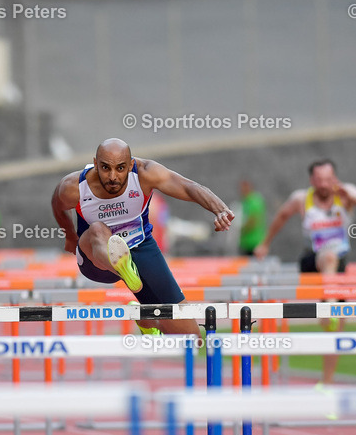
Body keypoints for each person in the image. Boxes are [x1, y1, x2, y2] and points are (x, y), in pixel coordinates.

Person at [51, 138, 234, 336]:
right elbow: (58, 204)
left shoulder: (146, 173)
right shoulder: (75, 186)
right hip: (96, 259)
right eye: (105, 168)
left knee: (190, 337)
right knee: (97, 230)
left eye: (120, 168)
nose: (113, 177)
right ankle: (121, 263)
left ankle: (146, 319)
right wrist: (70, 236)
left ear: (131, 165)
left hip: (140, 247)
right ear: (95, 164)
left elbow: (188, 187)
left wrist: (220, 210)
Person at [254, 159, 356, 383]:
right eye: (319, 180)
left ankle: (327, 382)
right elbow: (281, 216)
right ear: (312, 181)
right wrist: (265, 243)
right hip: (311, 262)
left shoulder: (346, 193)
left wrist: (350, 196)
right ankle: (328, 306)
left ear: (335, 178)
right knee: (327, 256)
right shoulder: (302, 198)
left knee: (335, 331)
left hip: (338, 265)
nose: (324, 184)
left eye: (328, 179)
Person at [237, 180, 267, 256]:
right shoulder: (246, 201)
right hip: (247, 242)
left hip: (253, 242)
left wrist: (239, 229)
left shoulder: (253, 201)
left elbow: (252, 221)